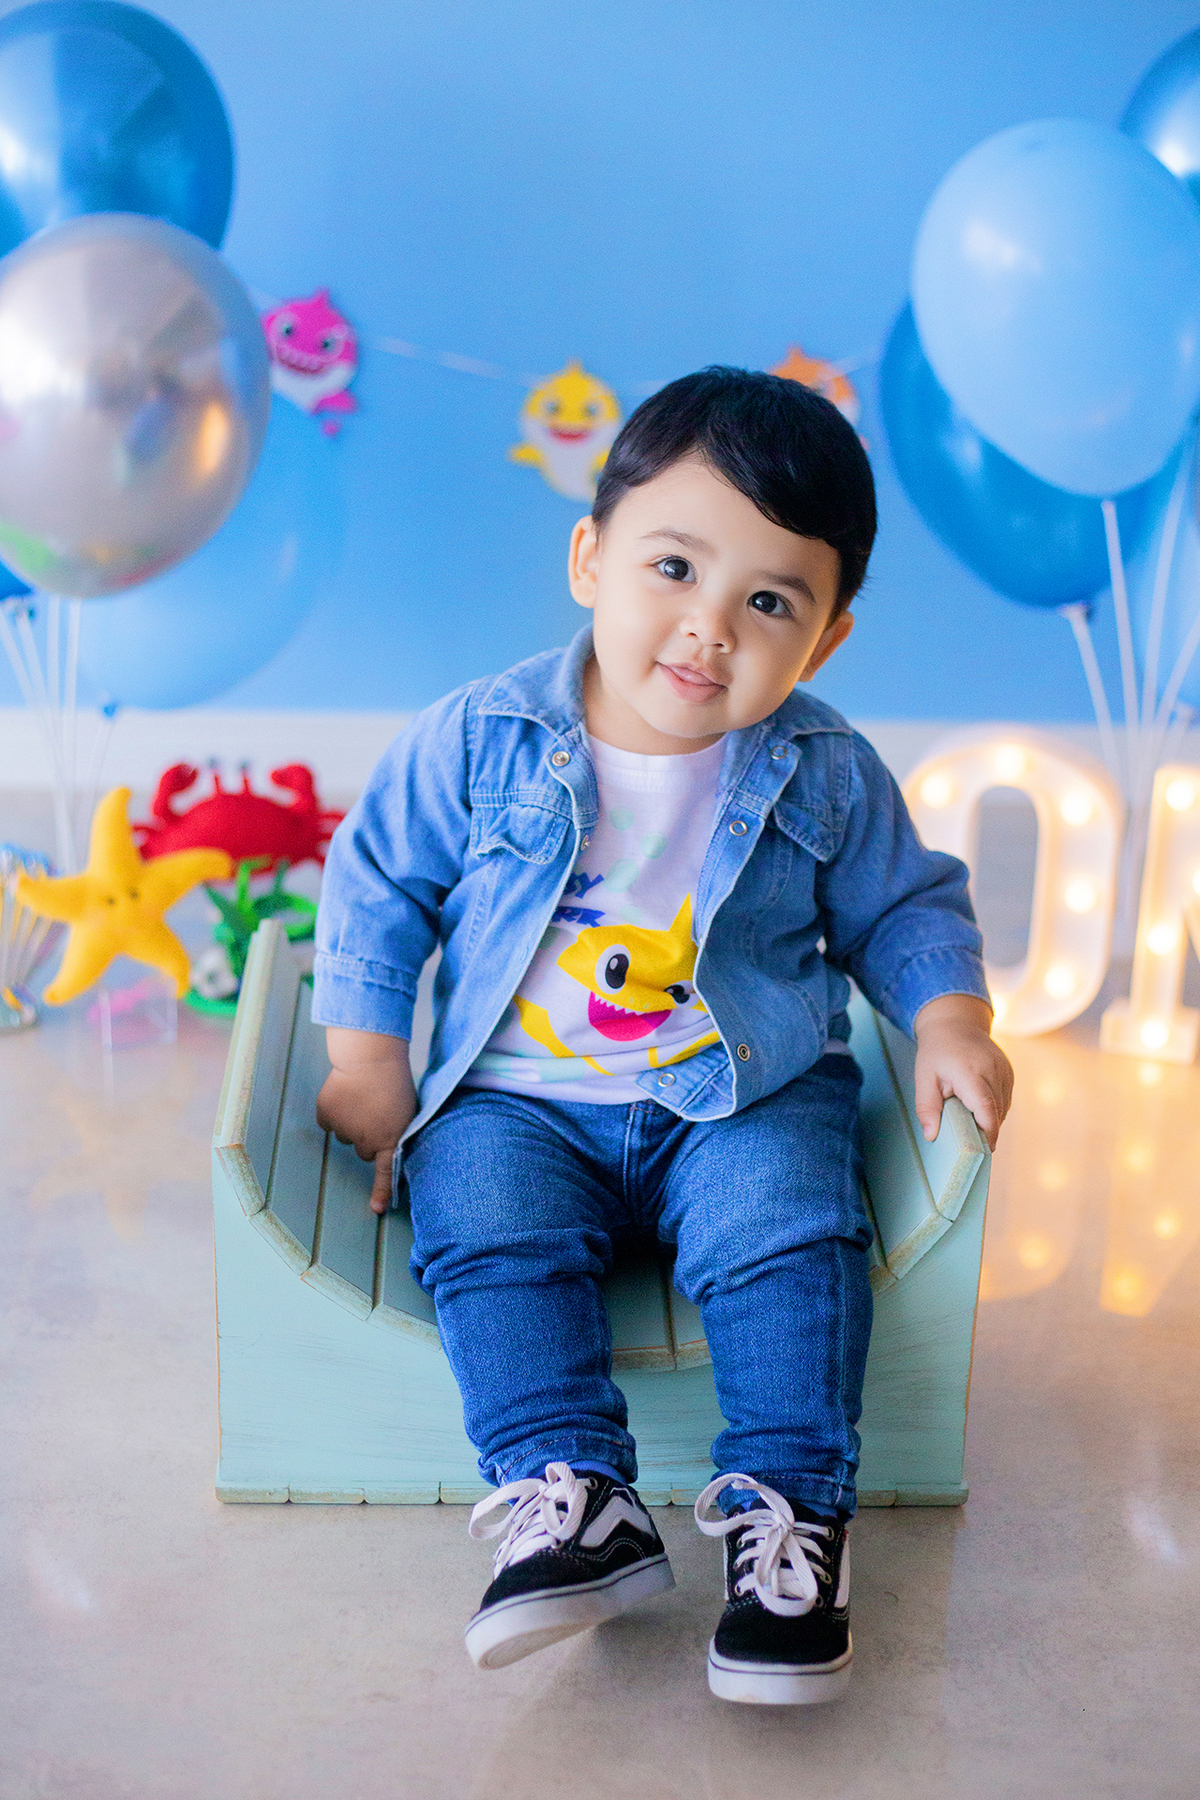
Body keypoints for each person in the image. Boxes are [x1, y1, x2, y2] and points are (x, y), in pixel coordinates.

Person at [312, 367, 1013, 1705]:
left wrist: (948, 1015)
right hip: (518, 1096)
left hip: (741, 1089)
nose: (708, 630)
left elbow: (904, 906)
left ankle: (791, 1519)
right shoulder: (482, 737)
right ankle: (571, 1492)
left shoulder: (824, 767)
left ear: (827, 641)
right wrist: (366, 1058)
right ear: (590, 557)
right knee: (480, 1220)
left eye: (768, 603)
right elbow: (378, 880)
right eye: (674, 568)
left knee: (793, 1230)